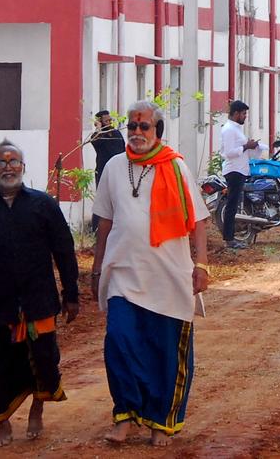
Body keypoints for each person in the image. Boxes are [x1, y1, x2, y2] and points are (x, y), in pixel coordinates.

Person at [90, 99, 211, 447]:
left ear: (157, 130)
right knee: (119, 342)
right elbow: (105, 223)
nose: (137, 132)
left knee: (164, 352)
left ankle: (161, 422)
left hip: (168, 277)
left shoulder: (175, 168)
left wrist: (200, 264)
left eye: (144, 126)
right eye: (132, 126)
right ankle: (125, 416)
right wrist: (97, 269)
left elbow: (199, 221)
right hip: (123, 274)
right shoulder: (114, 167)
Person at [0, 140, 79, 447]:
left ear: (23, 167)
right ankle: (3, 423)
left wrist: (71, 293)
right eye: (1, 162)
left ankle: (37, 409)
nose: (8, 167)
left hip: (39, 301)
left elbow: (64, 250)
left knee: (44, 359)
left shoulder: (43, 205)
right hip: (0, 305)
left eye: (14, 161)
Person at [219, 99, 264, 251]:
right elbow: (228, 153)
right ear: (236, 113)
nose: (245, 116)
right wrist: (246, 146)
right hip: (234, 171)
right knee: (232, 206)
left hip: (240, 169)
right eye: (244, 114)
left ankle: (231, 238)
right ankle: (229, 239)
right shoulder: (229, 130)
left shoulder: (236, 129)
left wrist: (252, 146)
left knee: (234, 204)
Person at [90, 110, 125, 232]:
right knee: (102, 200)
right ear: (99, 122)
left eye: (110, 120)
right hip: (103, 171)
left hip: (119, 171)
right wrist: (98, 129)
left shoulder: (116, 133)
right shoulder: (97, 136)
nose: (109, 122)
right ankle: (96, 229)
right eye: (106, 121)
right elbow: (94, 142)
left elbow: (123, 150)